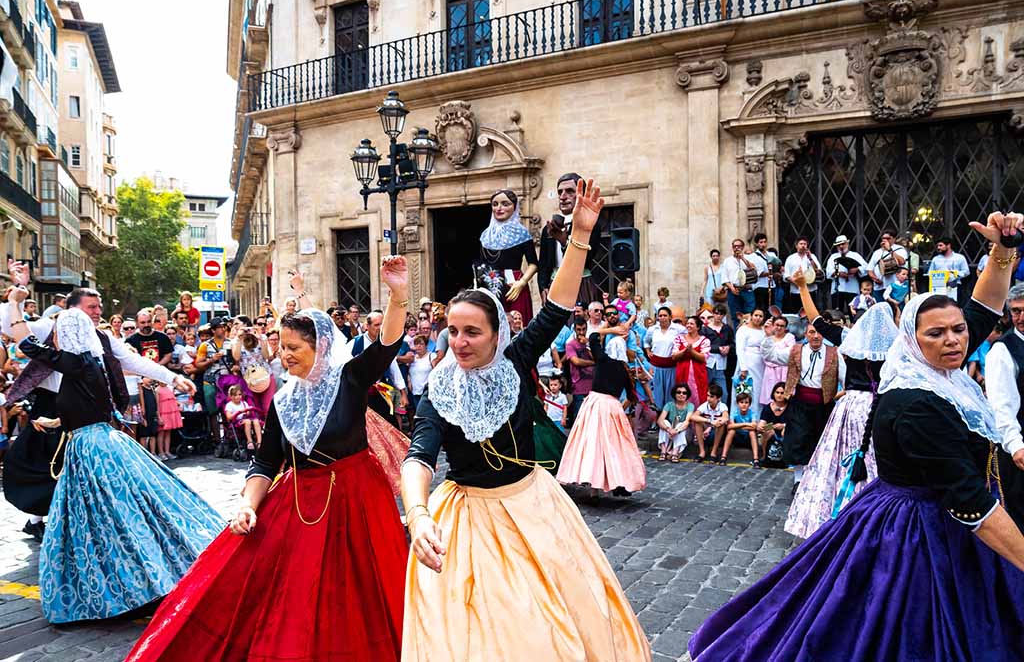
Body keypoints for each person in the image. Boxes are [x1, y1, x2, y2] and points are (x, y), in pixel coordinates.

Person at [689, 210, 1024, 662]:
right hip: (920, 531)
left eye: (958, 330)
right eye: (937, 333)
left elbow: (983, 308)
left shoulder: (940, 369)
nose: (953, 340)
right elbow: (969, 499)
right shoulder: (915, 402)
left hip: (945, 519)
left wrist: (1002, 251)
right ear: (912, 340)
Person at [401, 179, 650, 662]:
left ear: (497, 334)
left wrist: (579, 236)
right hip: (468, 515)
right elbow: (418, 457)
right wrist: (417, 513)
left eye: (472, 331)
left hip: (532, 503)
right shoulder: (438, 388)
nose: (459, 342)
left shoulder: (515, 361)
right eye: (452, 331)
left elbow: (556, 307)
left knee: (553, 617)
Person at [127, 258, 412, 661]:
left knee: (360, 588)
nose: (284, 356)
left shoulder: (350, 379)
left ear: (320, 347)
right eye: (282, 346)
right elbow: (264, 462)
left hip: (357, 501)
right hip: (297, 503)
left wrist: (398, 295)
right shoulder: (283, 400)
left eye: (294, 348)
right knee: (279, 589)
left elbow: (386, 345)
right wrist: (247, 504)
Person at [5, 293, 221, 625]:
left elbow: (29, 347)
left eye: (62, 330)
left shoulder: (75, 362)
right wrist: (56, 421)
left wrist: (15, 303)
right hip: (98, 441)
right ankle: (140, 580)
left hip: (91, 450)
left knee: (106, 518)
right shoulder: (91, 363)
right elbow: (90, 406)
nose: (58, 335)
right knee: (113, 514)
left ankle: (135, 585)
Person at [785, 268, 900, 538]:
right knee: (875, 458)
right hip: (879, 406)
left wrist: (803, 287)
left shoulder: (851, 339)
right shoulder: (896, 348)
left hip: (850, 406)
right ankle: (873, 513)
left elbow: (816, 319)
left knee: (839, 458)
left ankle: (835, 510)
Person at [556, 306, 647, 497]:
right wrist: (619, 408)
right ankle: (620, 482)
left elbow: (593, 336)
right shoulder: (625, 372)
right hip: (613, 407)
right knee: (616, 446)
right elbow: (632, 398)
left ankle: (594, 491)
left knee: (592, 445)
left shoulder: (603, 360)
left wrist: (610, 330)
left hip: (595, 404)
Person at [782, 321, 845, 492]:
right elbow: (775, 357)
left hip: (823, 405)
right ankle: (798, 480)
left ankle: (818, 479)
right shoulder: (796, 350)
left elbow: (845, 379)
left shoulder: (834, 353)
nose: (815, 336)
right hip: (800, 403)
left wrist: (843, 396)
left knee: (819, 442)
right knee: (798, 441)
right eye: (811, 332)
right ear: (806, 335)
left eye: (818, 332)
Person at [981, 282, 1024, 530]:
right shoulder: (1002, 350)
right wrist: (1015, 445)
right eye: (1016, 311)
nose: (1020, 317)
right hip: (1018, 445)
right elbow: (1001, 404)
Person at [537, 172, 603, 305]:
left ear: (581, 194)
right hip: (554, 283)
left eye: (569, 191)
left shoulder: (590, 225)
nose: (563, 196)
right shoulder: (549, 228)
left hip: (580, 282)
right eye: (560, 192)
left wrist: (563, 241)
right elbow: (543, 264)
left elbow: (586, 258)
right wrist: (543, 286)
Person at [478, 189, 539, 324]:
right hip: (491, 282)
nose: (499, 208)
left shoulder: (522, 233)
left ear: (514, 207)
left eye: (505, 204)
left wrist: (522, 282)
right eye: (495, 204)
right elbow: (482, 266)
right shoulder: (485, 235)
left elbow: (534, 264)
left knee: (517, 322)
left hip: (514, 283)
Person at [643, 307, 681, 411]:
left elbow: (685, 340)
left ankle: (669, 417)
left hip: (671, 366)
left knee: (671, 392)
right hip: (656, 366)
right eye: (660, 316)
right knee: (656, 393)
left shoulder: (678, 329)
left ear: (670, 317)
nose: (662, 318)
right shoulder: (653, 329)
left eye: (665, 315)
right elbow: (646, 341)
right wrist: (648, 352)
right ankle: (657, 418)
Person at [733, 309, 766, 419]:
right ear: (751, 316)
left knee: (757, 393)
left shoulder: (763, 331)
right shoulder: (743, 330)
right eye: (756, 315)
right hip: (746, 365)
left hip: (760, 365)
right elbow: (739, 349)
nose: (758, 318)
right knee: (744, 393)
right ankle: (739, 421)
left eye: (761, 316)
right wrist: (743, 368)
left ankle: (756, 420)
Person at [672, 315, 710, 409]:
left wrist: (692, 351)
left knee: (699, 396)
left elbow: (704, 357)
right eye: (687, 323)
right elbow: (674, 356)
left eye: (691, 324)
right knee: (682, 394)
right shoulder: (679, 338)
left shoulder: (704, 340)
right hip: (682, 373)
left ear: (698, 327)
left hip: (698, 375)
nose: (688, 325)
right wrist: (685, 351)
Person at [564, 318, 594, 429]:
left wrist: (588, 345)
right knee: (579, 417)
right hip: (578, 385)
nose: (581, 332)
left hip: (592, 384)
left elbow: (597, 357)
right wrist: (592, 362)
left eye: (583, 329)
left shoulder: (589, 343)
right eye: (579, 330)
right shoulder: (570, 345)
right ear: (575, 330)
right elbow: (576, 361)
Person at [722, 239, 762, 324]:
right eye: (734, 246)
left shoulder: (748, 258)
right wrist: (732, 288)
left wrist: (742, 258)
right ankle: (738, 335)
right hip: (734, 290)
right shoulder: (727, 261)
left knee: (749, 314)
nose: (736, 248)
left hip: (747, 290)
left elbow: (754, 269)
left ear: (743, 247)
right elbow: (725, 278)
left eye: (739, 246)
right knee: (736, 315)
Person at [759, 315, 795, 408]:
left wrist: (776, 355)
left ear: (785, 327)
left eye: (782, 326)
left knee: (784, 395)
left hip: (785, 371)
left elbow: (791, 353)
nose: (779, 328)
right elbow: (764, 354)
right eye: (777, 325)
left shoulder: (790, 337)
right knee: (770, 394)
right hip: (770, 371)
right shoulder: (767, 337)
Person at [824, 235, 867, 312]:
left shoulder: (855, 255)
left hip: (852, 288)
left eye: (843, 244)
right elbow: (828, 273)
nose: (841, 246)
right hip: (837, 288)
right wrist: (839, 274)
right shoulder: (833, 257)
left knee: (853, 311)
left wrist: (856, 269)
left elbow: (866, 268)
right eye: (839, 245)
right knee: (837, 313)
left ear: (847, 244)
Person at [782, 236, 823, 314]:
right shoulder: (790, 258)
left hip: (810, 290)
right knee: (796, 312)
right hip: (796, 291)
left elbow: (818, 271)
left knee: (810, 312)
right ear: (796, 246)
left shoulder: (812, 257)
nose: (803, 246)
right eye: (801, 244)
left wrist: (810, 258)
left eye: (805, 244)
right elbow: (786, 275)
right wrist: (795, 281)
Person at [691, 383, 729, 463]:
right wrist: (710, 422)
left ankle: (714, 452)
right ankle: (702, 452)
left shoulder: (722, 406)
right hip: (704, 434)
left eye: (712, 397)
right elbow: (693, 416)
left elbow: (726, 418)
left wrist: (712, 426)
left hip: (717, 434)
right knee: (698, 422)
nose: (708, 399)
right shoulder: (704, 405)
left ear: (718, 398)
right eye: (708, 396)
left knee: (721, 423)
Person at [867, 228, 908, 302]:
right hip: (879, 287)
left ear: (894, 239)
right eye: (883, 238)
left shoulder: (900, 249)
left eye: (888, 238)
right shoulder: (877, 252)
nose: (885, 240)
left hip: (894, 287)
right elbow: (870, 269)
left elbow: (902, 262)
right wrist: (875, 278)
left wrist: (889, 250)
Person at [702, 304, 734, 398]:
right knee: (704, 390)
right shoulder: (706, 329)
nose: (718, 316)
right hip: (708, 363)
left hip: (721, 365)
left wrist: (728, 347)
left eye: (721, 314)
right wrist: (717, 348)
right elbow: (703, 345)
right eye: (716, 313)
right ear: (713, 314)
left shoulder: (727, 329)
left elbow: (732, 344)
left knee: (724, 393)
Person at [657, 384, 693, 462]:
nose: (681, 394)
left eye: (684, 393)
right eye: (679, 392)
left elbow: (687, 422)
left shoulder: (690, 406)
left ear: (687, 395)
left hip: (683, 432)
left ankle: (675, 453)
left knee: (681, 424)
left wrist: (676, 431)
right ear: (674, 394)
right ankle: (663, 451)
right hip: (670, 432)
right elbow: (660, 420)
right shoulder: (669, 405)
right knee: (664, 422)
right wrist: (668, 429)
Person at [928, 237, 971, 301]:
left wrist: (956, 274)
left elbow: (967, 271)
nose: (938, 248)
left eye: (940, 245)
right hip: (939, 288)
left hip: (955, 286)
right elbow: (930, 273)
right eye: (937, 246)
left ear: (948, 245)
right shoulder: (935, 259)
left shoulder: (959, 258)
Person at [721, 393, 758, 466]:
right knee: (731, 431)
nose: (744, 404)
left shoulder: (752, 413)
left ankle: (756, 459)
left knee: (752, 432)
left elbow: (753, 426)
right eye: (741, 402)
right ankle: (723, 457)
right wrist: (746, 424)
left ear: (749, 404)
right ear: (738, 403)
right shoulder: (734, 412)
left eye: (746, 402)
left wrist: (737, 426)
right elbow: (729, 426)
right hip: (737, 438)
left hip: (748, 439)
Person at [758, 382, 789, 468]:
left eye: (782, 393)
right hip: (771, 434)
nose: (779, 395)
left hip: (785, 432)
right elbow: (762, 423)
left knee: (785, 431)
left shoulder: (790, 407)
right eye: (777, 392)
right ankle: (765, 457)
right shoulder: (768, 408)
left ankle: (786, 458)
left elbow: (794, 423)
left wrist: (783, 425)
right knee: (767, 431)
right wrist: (764, 426)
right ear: (773, 393)